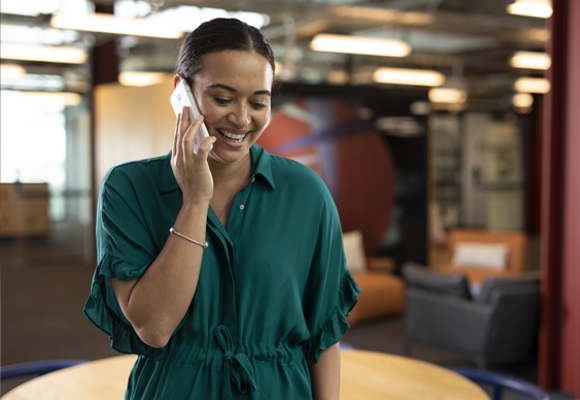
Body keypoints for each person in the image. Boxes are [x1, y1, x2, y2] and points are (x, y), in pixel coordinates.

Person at [84, 18, 360, 400]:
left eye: (258, 102)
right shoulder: (129, 188)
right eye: (223, 98)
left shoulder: (306, 192)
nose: (242, 119)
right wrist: (195, 201)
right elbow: (155, 326)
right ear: (182, 91)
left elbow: (323, 335)